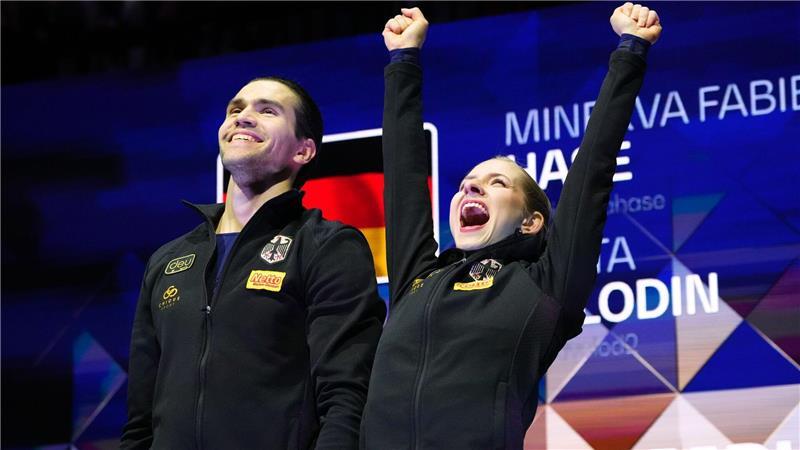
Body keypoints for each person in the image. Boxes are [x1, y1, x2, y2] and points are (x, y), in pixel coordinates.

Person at [361, 4, 661, 449]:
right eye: (465, 185)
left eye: (495, 183)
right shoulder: (418, 279)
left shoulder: (546, 284)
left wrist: (630, 50)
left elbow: (592, 168)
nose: (470, 190)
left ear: (531, 221)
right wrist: (403, 58)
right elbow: (404, 176)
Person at [122, 76, 386, 449]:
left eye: (267, 111)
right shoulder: (168, 260)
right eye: (236, 109)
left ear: (303, 151)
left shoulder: (327, 246)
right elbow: (139, 419)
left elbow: (346, 398)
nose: (243, 117)